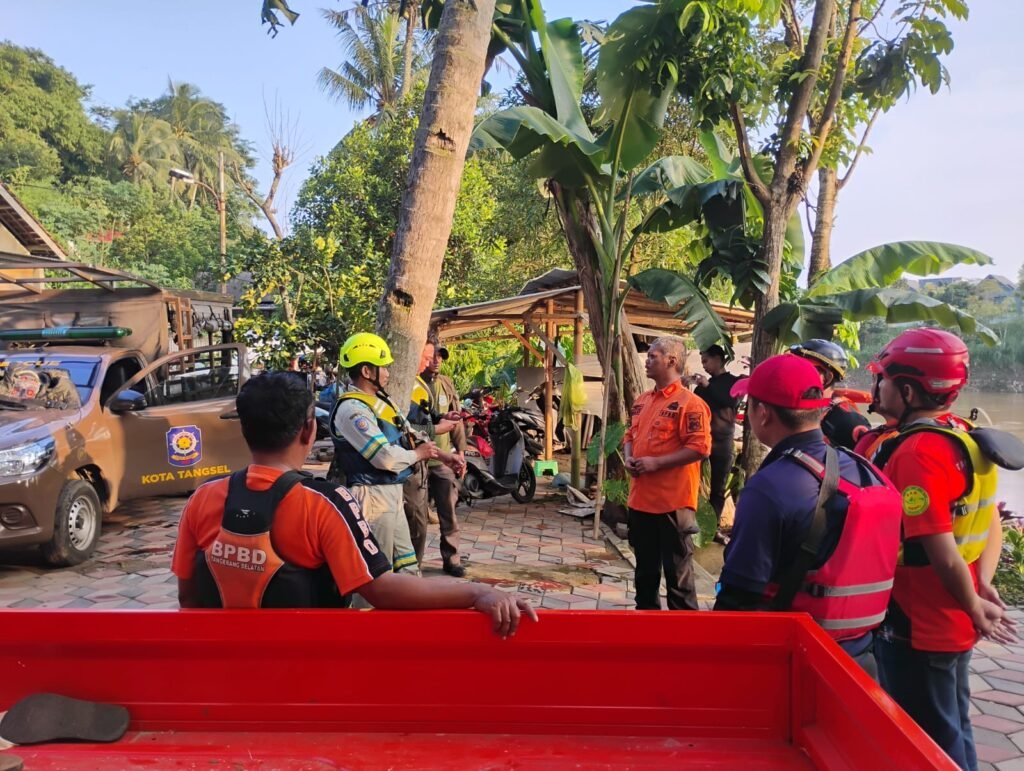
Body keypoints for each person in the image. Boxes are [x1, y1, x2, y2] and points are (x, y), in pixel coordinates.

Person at [171, 371, 536, 635]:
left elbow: (188, 596)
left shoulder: (203, 499)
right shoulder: (322, 503)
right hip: (306, 669)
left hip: (224, 668)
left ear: (244, 428)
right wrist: (478, 592)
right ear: (309, 430)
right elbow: (382, 590)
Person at [867, 328, 1016, 770]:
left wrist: (973, 603)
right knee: (953, 725)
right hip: (952, 612)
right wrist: (981, 585)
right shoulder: (965, 436)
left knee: (925, 739)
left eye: (883, 379)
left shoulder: (918, 453)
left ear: (908, 390)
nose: (876, 388)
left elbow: (941, 549)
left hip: (922, 620)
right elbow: (990, 523)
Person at [714, 354, 902, 676]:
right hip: (862, 660)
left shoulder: (769, 487)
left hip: (793, 660)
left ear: (762, 413)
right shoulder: (863, 468)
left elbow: (737, 599)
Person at [623, 335, 711, 611]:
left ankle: (684, 640)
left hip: (673, 504)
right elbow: (629, 435)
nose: (647, 361)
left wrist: (656, 464)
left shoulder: (690, 404)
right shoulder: (642, 401)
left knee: (678, 578)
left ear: (672, 361)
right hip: (641, 501)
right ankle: (646, 632)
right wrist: (629, 457)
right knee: (645, 575)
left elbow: (700, 448)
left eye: (652, 356)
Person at [330, 333, 428, 573]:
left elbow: (409, 433)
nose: (387, 372)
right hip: (371, 496)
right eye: (383, 366)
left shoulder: (381, 401)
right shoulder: (352, 409)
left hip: (391, 492)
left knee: (407, 567)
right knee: (376, 574)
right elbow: (384, 457)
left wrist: (442, 455)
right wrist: (418, 455)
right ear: (367, 371)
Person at [404, 340, 467, 574]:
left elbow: (455, 420)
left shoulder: (446, 385)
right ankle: (412, 566)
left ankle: (452, 559)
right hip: (417, 460)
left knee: (448, 512)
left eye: (439, 356)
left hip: (441, 459)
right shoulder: (410, 384)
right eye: (431, 356)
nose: (436, 360)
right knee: (416, 518)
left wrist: (460, 451)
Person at [689, 344, 740, 540]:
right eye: (702, 362)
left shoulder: (731, 382)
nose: (704, 366)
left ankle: (712, 528)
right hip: (702, 440)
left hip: (723, 441)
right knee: (691, 480)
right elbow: (693, 407)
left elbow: (731, 401)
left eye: (706, 361)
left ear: (718, 359)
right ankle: (690, 521)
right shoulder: (703, 387)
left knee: (718, 488)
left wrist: (707, 386)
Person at [790, 339, 870, 450]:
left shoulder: (848, 422)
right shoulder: (794, 408)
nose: (794, 374)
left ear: (827, 378)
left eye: (804, 369)